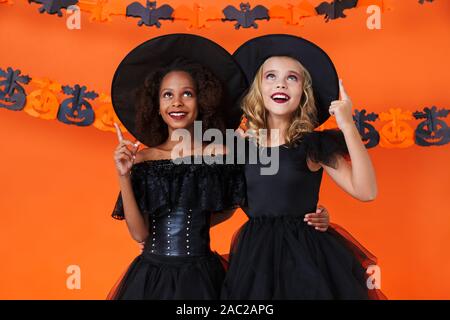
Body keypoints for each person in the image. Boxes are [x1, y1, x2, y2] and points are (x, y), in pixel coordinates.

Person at [222, 34, 386, 299]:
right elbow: (221, 201)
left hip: (307, 258)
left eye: (292, 78)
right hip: (254, 261)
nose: (281, 84)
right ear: (258, 88)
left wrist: (347, 124)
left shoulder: (312, 145)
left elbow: (366, 191)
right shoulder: (237, 144)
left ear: (303, 92)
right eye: (271, 76)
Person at [107, 34, 249, 299]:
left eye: (187, 93)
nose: (177, 102)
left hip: (202, 275)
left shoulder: (218, 154)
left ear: (202, 101)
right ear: (157, 106)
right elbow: (139, 233)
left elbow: (232, 205)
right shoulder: (143, 159)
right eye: (167, 95)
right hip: (152, 276)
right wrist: (123, 175)